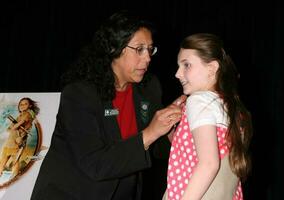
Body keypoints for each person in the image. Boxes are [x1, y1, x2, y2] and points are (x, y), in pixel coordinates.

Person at [30, 10, 186, 200]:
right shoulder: (79, 95)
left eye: (150, 49)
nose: (147, 58)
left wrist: (171, 131)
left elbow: (154, 149)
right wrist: (151, 132)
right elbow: (95, 164)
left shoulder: (148, 88)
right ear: (115, 49)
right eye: (139, 49)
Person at [164, 33, 253, 200]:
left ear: (212, 68)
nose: (177, 73)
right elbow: (195, 149)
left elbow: (209, 164)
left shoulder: (198, 101)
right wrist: (172, 132)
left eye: (186, 65)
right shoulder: (229, 105)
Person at [0, 97, 39, 177]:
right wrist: (12, 127)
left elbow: (17, 125)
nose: (22, 106)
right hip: (12, 139)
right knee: (5, 157)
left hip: (18, 139)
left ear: (30, 105)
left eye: (25, 104)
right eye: (21, 104)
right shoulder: (21, 114)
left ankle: (14, 176)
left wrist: (14, 126)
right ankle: (2, 173)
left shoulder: (28, 114)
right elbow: (11, 127)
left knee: (15, 159)